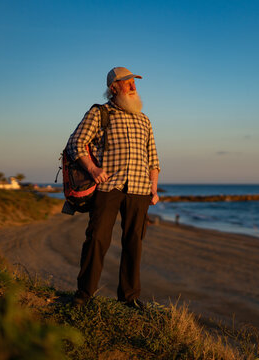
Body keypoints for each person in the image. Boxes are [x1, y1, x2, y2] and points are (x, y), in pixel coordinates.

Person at [65, 66, 160, 309]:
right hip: (109, 186)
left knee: (133, 242)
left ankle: (129, 297)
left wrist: (154, 188)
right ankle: (84, 294)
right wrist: (93, 169)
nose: (133, 86)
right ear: (113, 87)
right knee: (97, 238)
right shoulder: (100, 113)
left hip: (139, 189)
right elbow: (76, 142)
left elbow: (153, 157)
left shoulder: (144, 120)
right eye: (127, 82)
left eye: (134, 82)